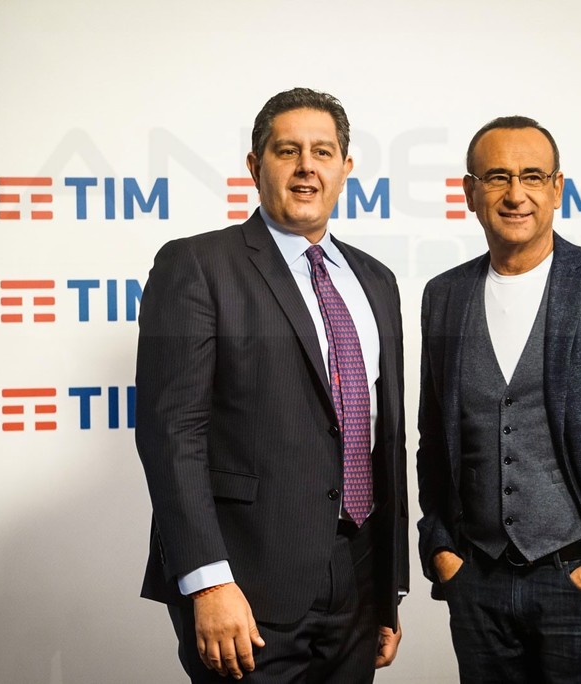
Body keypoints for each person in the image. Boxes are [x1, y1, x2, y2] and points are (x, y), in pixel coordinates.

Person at [136, 87, 407, 683]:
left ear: (345, 167)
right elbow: (171, 435)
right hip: (245, 584)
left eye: (323, 152)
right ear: (255, 166)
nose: (307, 166)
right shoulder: (197, 266)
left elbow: (383, 440)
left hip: (359, 580)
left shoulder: (377, 281)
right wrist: (208, 582)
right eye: (288, 151)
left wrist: (389, 587)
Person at [416, 116, 581, 683]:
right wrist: (441, 549)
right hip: (478, 586)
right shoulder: (444, 295)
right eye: (497, 177)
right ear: (470, 192)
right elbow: (435, 440)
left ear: (557, 188)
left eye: (532, 177)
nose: (515, 194)